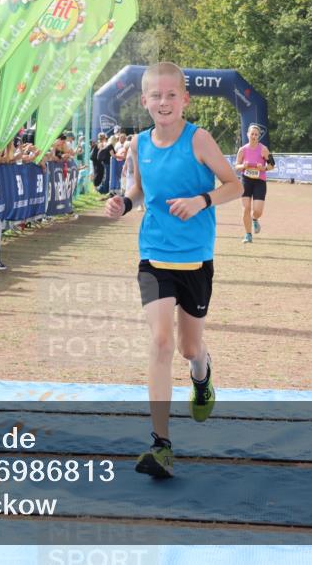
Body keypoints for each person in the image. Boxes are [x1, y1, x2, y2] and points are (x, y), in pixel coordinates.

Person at [104, 62, 243, 479]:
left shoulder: (199, 139)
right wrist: (123, 205)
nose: (162, 102)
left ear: (184, 99)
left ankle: (202, 374)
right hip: (154, 256)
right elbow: (139, 188)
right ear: (143, 101)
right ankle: (160, 444)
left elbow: (234, 185)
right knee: (161, 343)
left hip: (195, 260)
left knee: (187, 349)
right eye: (154, 96)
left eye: (170, 95)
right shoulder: (139, 143)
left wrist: (202, 200)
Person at [234, 124, 270, 243]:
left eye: (256, 134)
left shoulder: (264, 149)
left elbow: (272, 165)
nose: (254, 136)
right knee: (246, 209)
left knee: (258, 211)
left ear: (259, 136)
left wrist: (263, 168)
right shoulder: (242, 150)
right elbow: (236, 166)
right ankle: (248, 234)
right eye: (252, 134)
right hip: (246, 180)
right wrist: (243, 166)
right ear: (248, 134)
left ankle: (255, 219)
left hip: (260, 181)